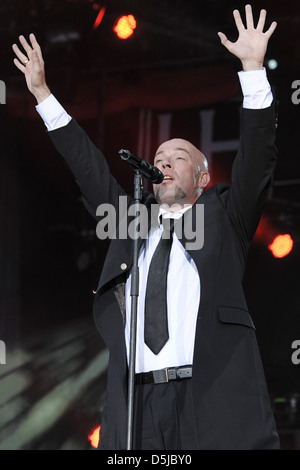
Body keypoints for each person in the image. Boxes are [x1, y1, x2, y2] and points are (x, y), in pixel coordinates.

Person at [13, 5, 280, 450]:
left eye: (177, 157)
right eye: (158, 159)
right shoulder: (133, 221)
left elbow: (258, 159)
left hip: (206, 397)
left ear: (201, 177)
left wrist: (252, 70)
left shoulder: (225, 216)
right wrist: (42, 94)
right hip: (137, 404)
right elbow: (89, 168)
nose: (163, 163)